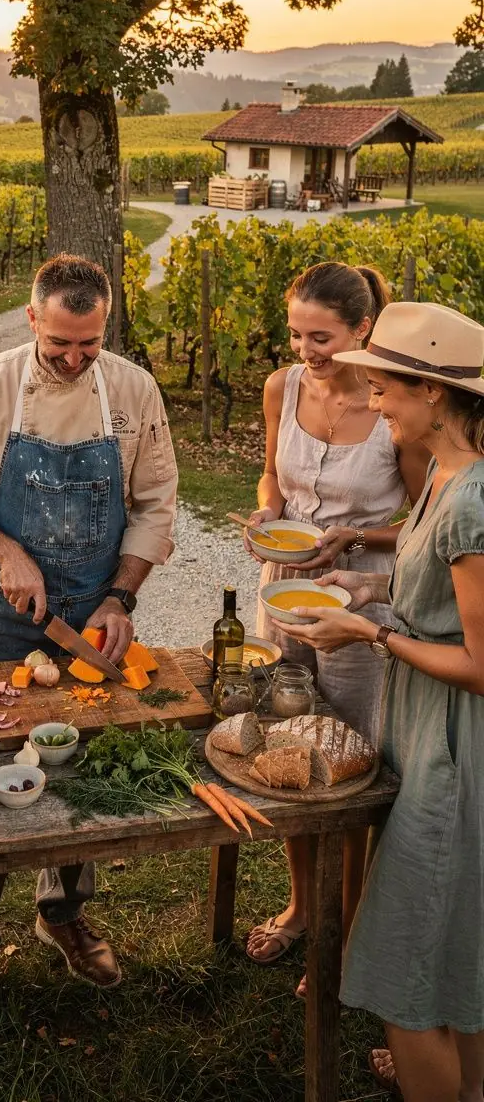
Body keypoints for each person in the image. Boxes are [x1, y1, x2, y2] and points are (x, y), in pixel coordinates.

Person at [0, 253, 178, 1037]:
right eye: (60, 343)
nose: (73, 358)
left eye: (89, 345)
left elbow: (156, 502)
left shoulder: (132, 390)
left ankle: (63, 912)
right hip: (5, 613)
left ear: (105, 328)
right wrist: (6, 551)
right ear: (32, 319)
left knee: (80, 758)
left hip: (93, 612)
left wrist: (121, 595)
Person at [275, 300, 484, 1102]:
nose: (372, 402)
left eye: (386, 389)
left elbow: (479, 660)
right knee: (457, 941)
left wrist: (369, 636)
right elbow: (433, 592)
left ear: (433, 395)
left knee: (404, 973)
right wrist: (366, 584)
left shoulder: (469, 500)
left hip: (453, 746)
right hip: (431, 729)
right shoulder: (449, 476)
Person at [243, 263, 428, 990]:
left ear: (362, 332)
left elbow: (418, 521)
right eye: (295, 333)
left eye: (320, 337)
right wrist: (266, 511)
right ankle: (299, 907)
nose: (304, 350)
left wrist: (352, 540)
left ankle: (352, 933)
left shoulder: (392, 410)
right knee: (290, 746)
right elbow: (269, 477)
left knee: (351, 768)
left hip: (357, 608)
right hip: (283, 592)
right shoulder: (280, 388)